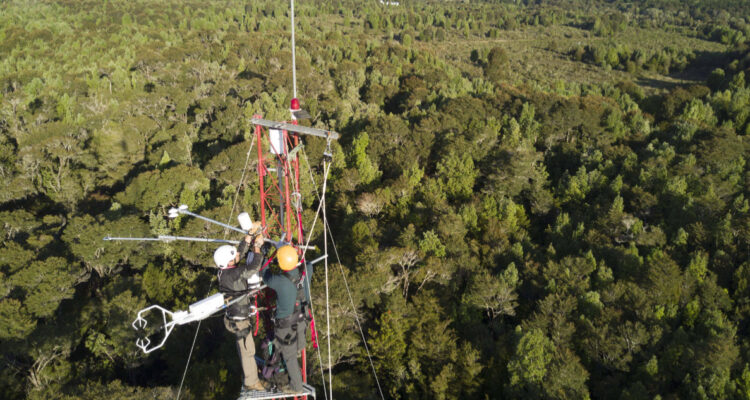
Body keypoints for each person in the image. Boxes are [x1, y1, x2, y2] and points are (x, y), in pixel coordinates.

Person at [214, 229, 266, 395]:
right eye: (234, 256)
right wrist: (257, 247)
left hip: (233, 317)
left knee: (245, 349)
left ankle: (252, 376)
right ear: (229, 262)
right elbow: (253, 267)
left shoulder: (224, 271)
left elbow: (238, 255)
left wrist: (248, 238)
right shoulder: (234, 273)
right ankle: (252, 382)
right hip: (239, 319)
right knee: (248, 351)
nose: (237, 255)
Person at [262, 245, 307, 393]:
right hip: (301, 320)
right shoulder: (306, 271)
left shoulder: (280, 281)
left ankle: (297, 387)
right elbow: (308, 263)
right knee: (295, 350)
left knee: (290, 357)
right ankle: (296, 354)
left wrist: (265, 256)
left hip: (286, 327)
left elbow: (265, 274)